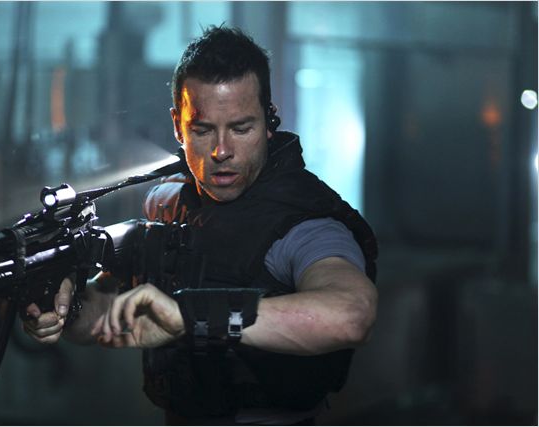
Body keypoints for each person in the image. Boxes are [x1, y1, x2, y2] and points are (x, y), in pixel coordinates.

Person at [24, 26, 378, 425]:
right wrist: (62, 306)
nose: (221, 151)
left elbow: (352, 315)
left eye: (241, 128)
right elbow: (108, 317)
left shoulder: (303, 222)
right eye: (202, 129)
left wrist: (191, 316)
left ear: (269, 122)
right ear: (178, 125)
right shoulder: (168, 203)